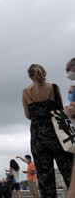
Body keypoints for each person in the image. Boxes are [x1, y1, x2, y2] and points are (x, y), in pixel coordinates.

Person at [22, 64, 73, 197]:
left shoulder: (26, 91)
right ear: (44, 73)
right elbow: (59, 109)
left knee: (45, 178)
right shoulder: (53, 88)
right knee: (68, 171)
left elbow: (28, 115)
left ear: (30, 76)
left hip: (37, 136)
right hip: (57, 134)